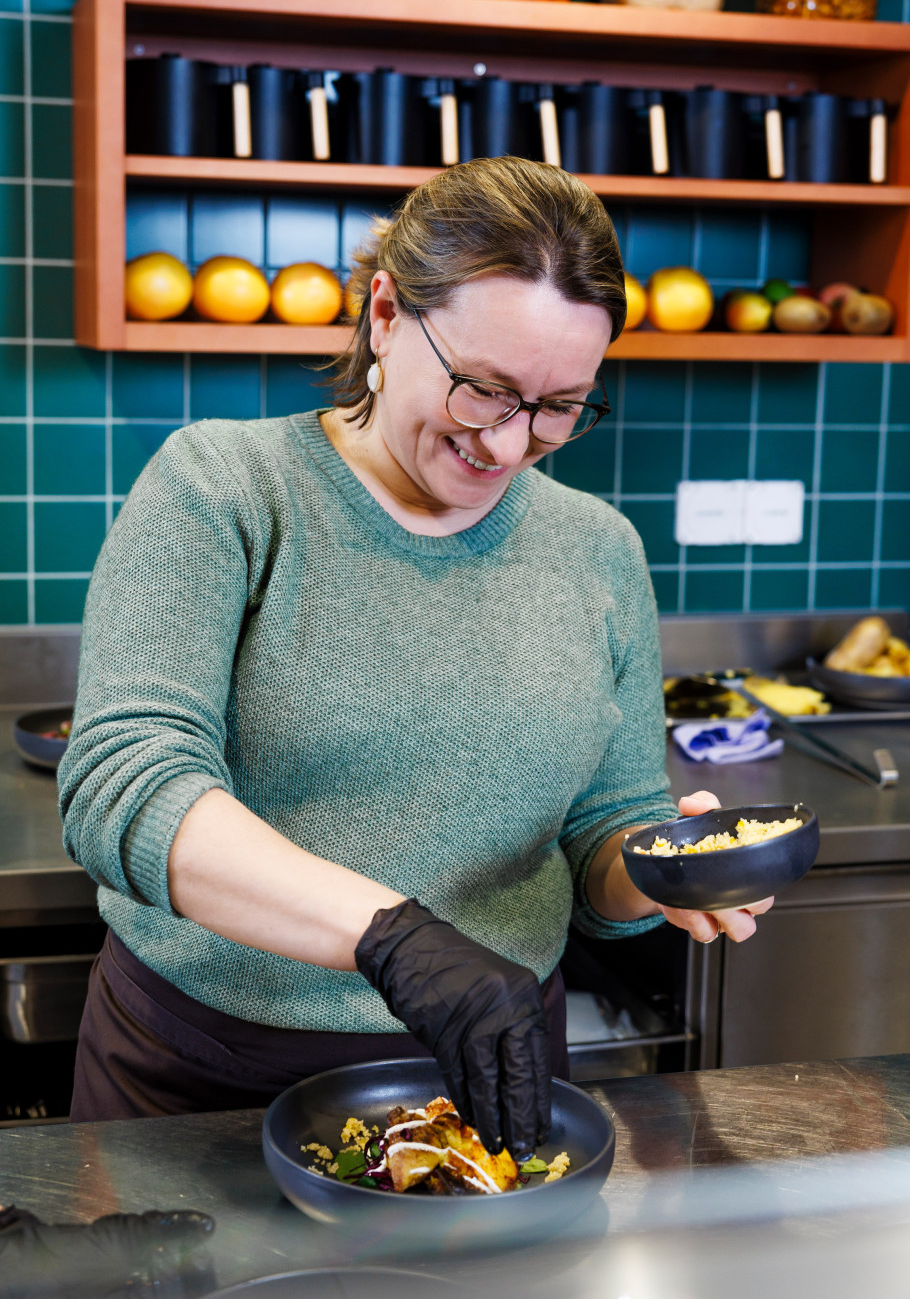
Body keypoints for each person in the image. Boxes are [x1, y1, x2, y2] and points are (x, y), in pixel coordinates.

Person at [58, 157, 771, 1156]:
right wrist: (389, 934)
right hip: (202, 1075)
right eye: (485, 388)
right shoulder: (223, 488)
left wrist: (653, 870)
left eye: (560, 404)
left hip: (491, 1073)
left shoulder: (596, 547)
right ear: (387, 313)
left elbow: (605, 824)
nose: (510, 441)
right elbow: (122, 786)